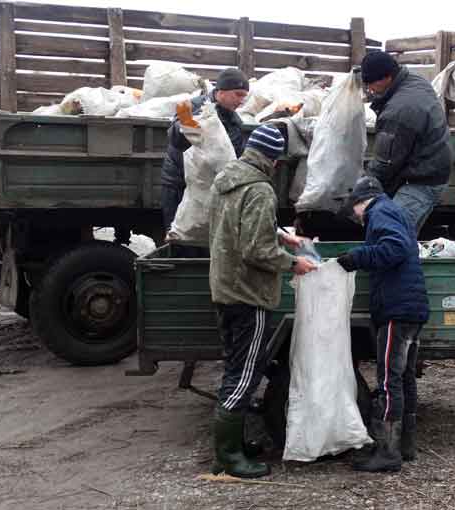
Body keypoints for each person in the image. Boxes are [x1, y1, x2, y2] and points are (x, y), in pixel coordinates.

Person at [208, 125, 317, 478]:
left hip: (225, 287)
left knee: (233, 368)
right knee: (245, 375)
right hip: (249, 292)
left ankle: (234, 444)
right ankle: (227, 457)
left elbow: (238, 231)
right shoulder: (260, 191)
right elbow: (256, 249)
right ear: (273, 159)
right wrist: (292, 264)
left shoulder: (227, 179)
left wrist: (281, 236)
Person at [336, 176, 429, 473]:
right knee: (403, 378)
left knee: (389, 379)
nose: (357, 219)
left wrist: (356, 257)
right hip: (411, 308)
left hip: (396, 308)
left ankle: (387, 452)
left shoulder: (379, 212)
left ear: (362, 202)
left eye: (355, 212)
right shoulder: (397, 210)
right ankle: (405, 446)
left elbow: (395, 248)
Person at [360, 51, 452, 235]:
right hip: (422, 167)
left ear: (387, 77)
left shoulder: (399, 112)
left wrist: (362, 194)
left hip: (422, 180)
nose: (369, 89)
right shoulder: (413, 80)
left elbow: (384, 164)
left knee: (390, 235)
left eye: (372, 83)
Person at [161, 68, 249, 234]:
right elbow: (175, 139)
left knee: (201, 237)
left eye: (244, 96)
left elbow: (232, 158)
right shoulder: (191, 106)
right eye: (238, 94)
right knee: (178, 236)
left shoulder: (235, 122)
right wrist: (188, 125)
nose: (242, 100)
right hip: (178, 184)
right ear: (221, 91)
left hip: (206, 188)